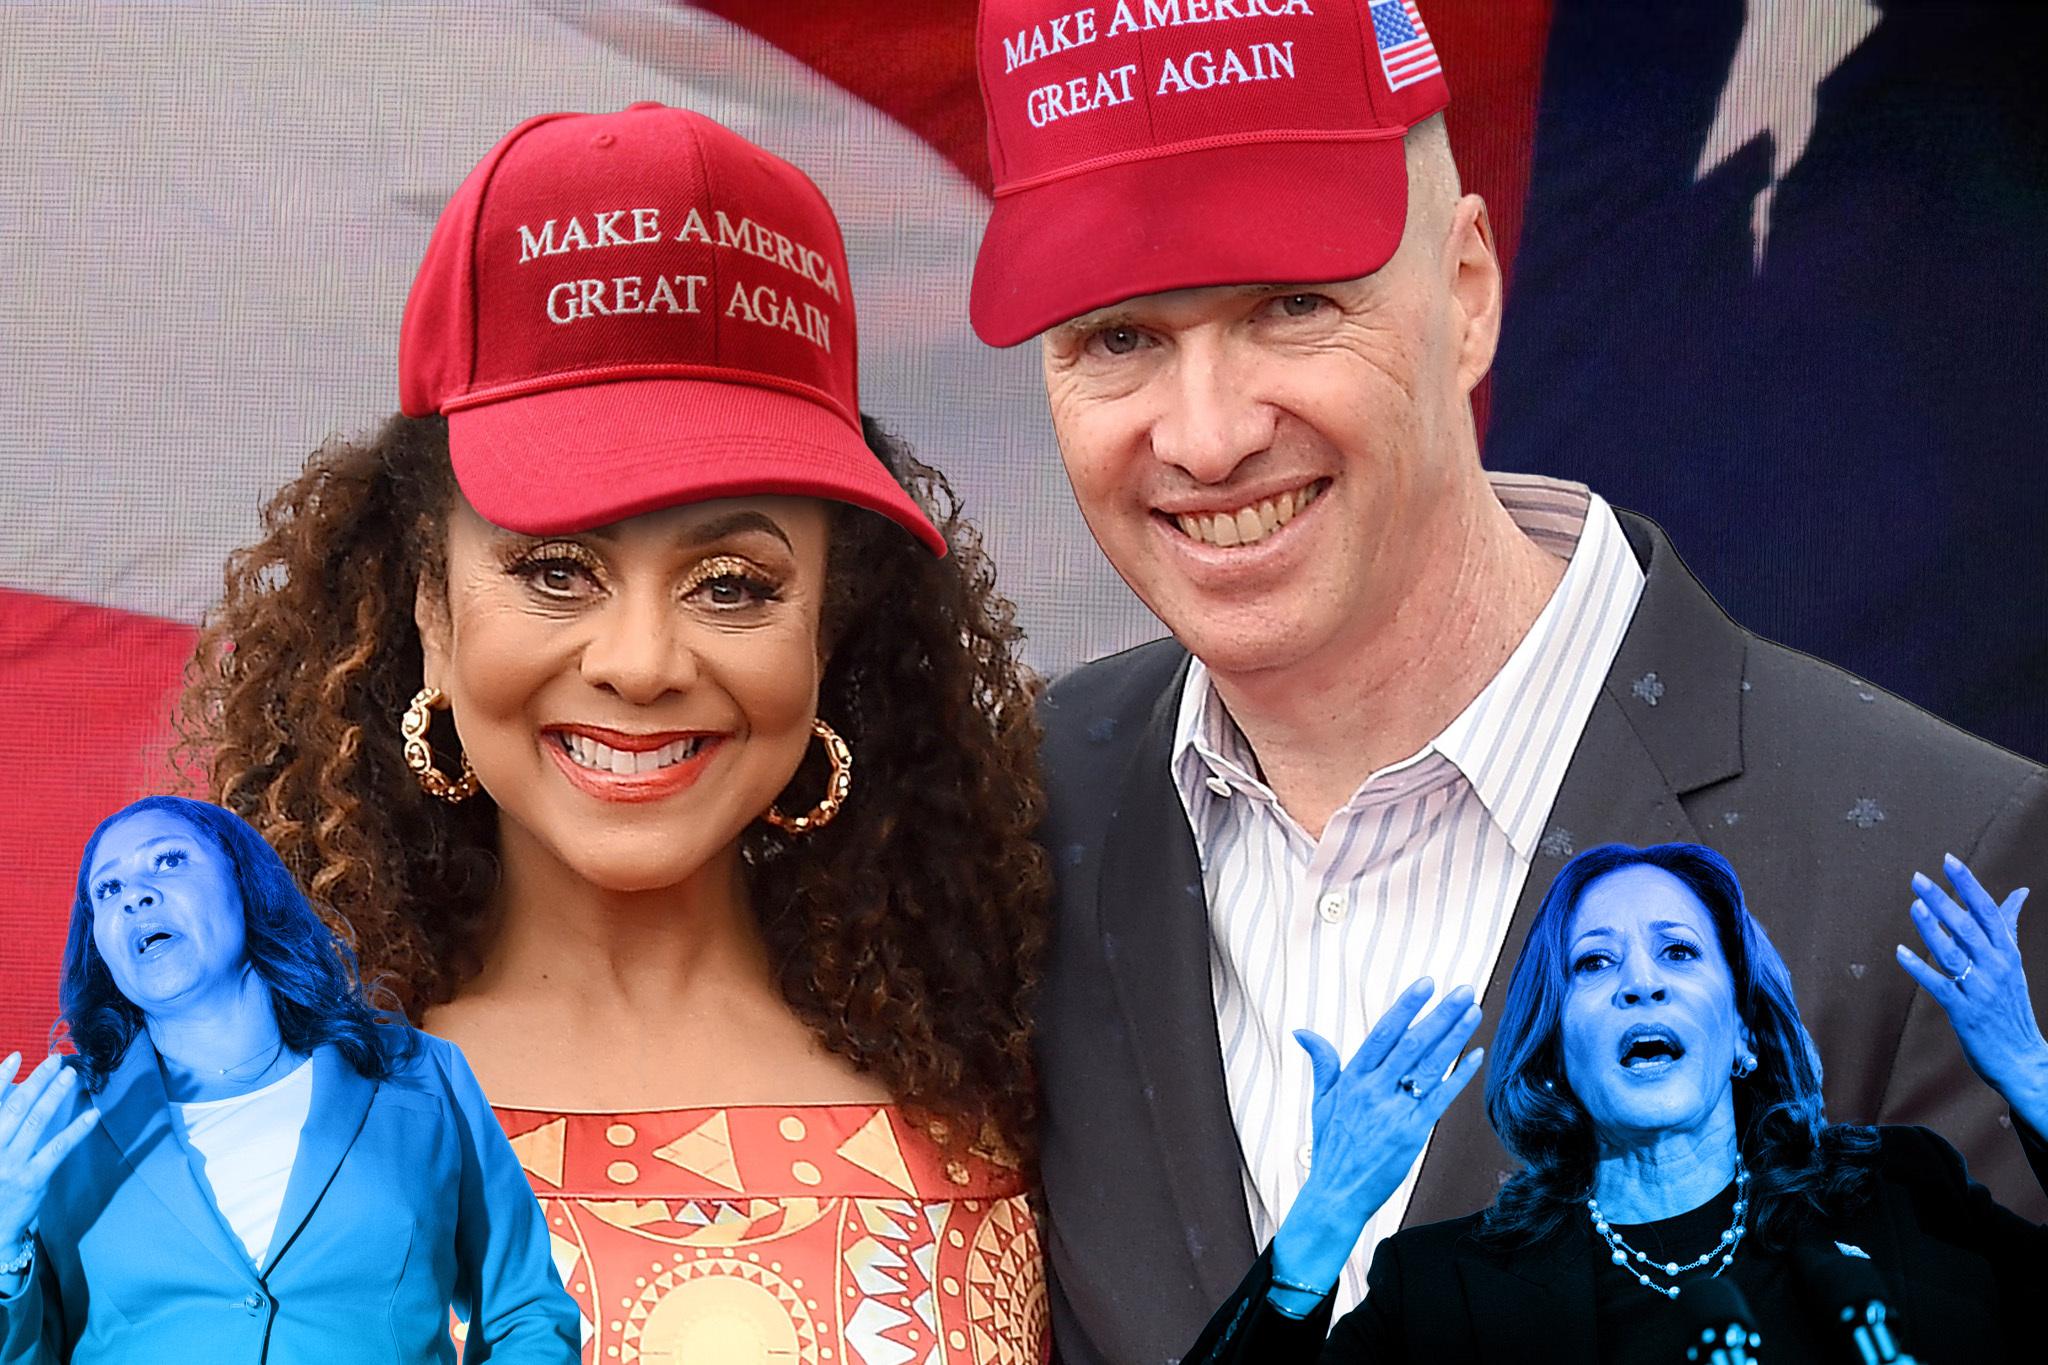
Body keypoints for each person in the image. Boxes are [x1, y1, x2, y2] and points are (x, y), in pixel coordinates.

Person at [963, 0, 2048, 1360]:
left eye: (1293, 304)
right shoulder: (1006, 818)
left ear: (1468, 294)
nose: (1208, 433)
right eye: (1119, 335)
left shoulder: (1949, 872)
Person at [182, 104, 1052, 1361]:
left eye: (733, 585)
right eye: (554, 571)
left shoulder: (1018, 1083)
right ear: (424, 602)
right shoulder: (240, 1142)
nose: (640, 663)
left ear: (831, 623)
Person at [1178, 842, 2048, 1362]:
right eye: (1594, 964)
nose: (1641, 984)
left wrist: (2033, 1076)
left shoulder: (1901, 1194)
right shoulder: (1442, 1292)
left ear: (1743, 1031)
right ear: (1556, 1054)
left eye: (1678, 953)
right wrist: (1324, 1219)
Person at [0, 795, 578, 1364]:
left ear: (246, 884)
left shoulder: (419, 1075)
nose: (135, 897)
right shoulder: (54, 1127)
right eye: (107, 890)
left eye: (169, 860)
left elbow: (526, 1314)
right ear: (98, 944)